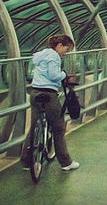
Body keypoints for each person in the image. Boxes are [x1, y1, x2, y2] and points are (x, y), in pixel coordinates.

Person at [21, 34, 80, 171]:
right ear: (59, 45)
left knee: (34, 128)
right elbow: (54, 76)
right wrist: (65, 75)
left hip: (35, 93)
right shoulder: (54, 56)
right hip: (48, 95)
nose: (66, 53)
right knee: (59, 127)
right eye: (66, 49)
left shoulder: (41, 55)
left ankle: (26, 161)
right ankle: (66, 162)